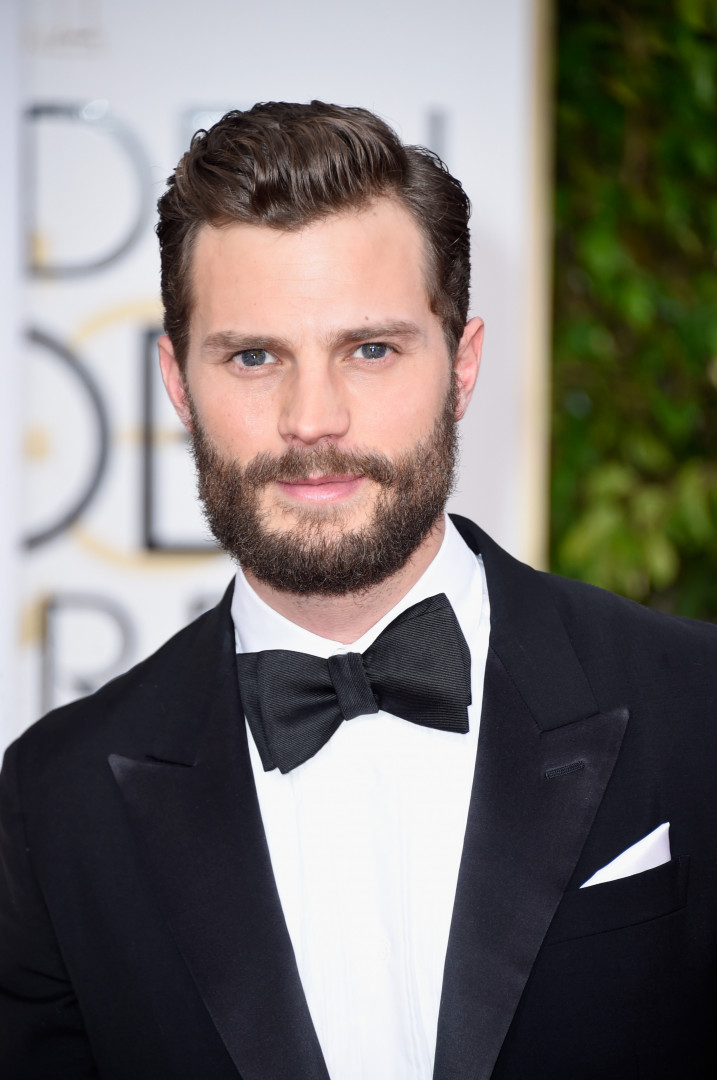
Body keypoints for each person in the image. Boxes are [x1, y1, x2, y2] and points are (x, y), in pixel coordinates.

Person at [1, 101, 716, 1080]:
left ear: (461, 365)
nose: (313, 419)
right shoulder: (58, 800)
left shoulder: (695, 705)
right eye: (254, 357)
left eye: (370, 349)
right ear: (177, 381)